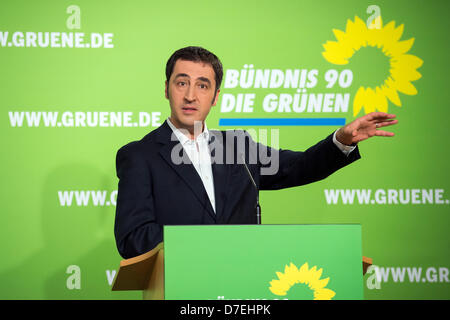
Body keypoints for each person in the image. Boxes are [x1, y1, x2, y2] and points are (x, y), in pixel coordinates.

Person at [114, 46, 397, 259]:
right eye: (181, 82)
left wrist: (341, 140)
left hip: (245, 286)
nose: (191, 95)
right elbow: (132, 239)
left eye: (203, 85)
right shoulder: (140, 156)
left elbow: (297, 167)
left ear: (215, 97)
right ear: (166, 89)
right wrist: (203, 241)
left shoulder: (238, 148)